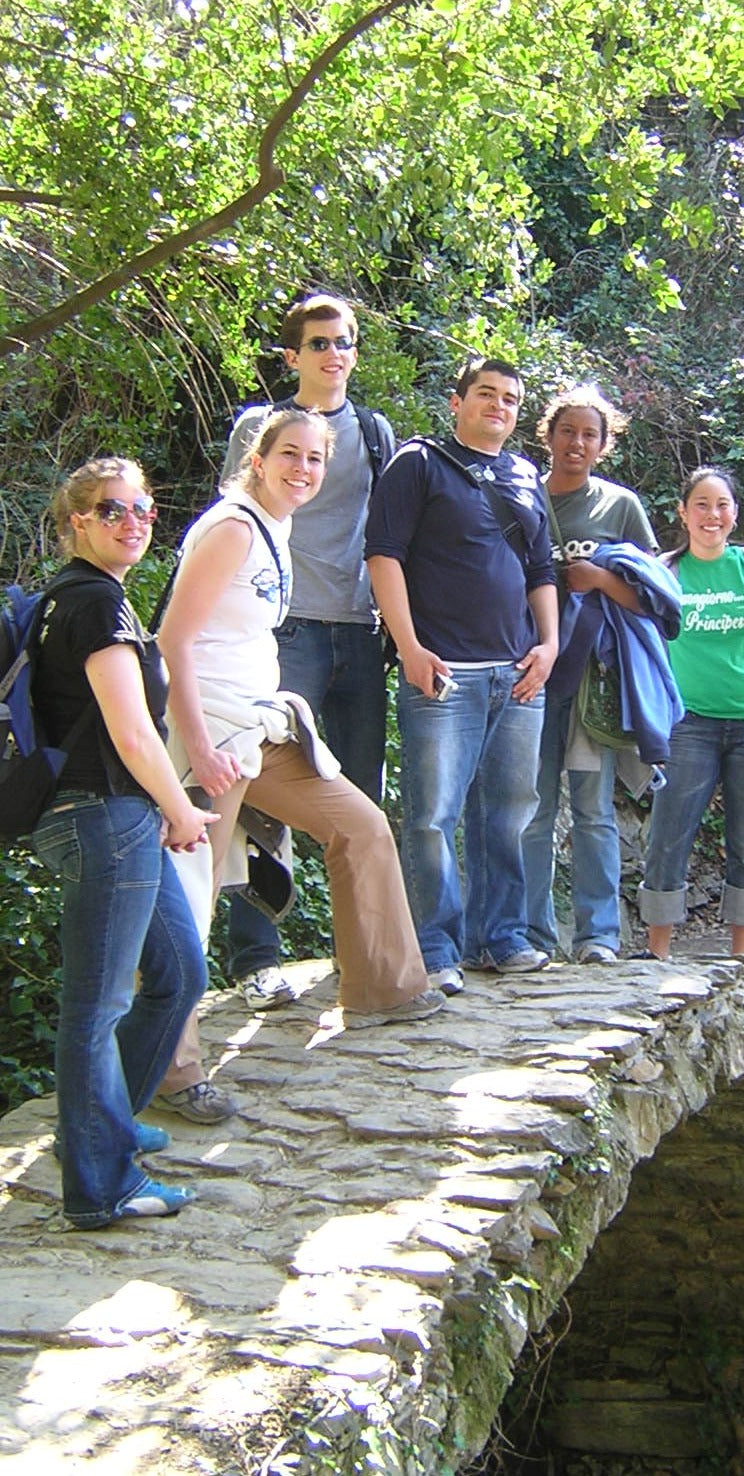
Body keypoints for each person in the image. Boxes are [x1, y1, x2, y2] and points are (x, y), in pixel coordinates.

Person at [153, 408, 440, 1121]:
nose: (303, 471)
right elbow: (171, 642)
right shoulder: (231, 528)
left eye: (315, 460)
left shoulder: (275, 528)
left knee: (362, 825)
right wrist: (197, 745)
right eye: (291, 455)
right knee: (190, 894)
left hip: (262, 727)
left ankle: (384, 988)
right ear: (258, 456)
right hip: (211, 737)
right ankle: (173, 1069)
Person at [31, 458, 214, 1227]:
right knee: (98, 1006)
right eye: (112, 510)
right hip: (105, 816)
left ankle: (102, 1127)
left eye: (143, 507)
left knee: (179, 975)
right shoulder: (95, 604)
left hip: (109, 817)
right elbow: (132, 730)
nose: (133, 521)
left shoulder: (75, 600)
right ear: (77, 521)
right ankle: (100, 1185)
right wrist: (181, 809)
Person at [219, 294, 396, 1015]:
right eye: (319, 342)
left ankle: (364, 962)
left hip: (358, 632)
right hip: (284, 633)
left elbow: (388, 536)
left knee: (362, 801)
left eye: (344, 341)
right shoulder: (259, 429)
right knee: (263, 796)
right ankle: (257, 961)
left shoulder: (377, 433)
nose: (333, 353)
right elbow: (233, 523)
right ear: (293, 356)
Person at [365, 357, 558, 995]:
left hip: (519, 672)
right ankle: (436, 949)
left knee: (506, 813)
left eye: (509, 398)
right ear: (457, 402)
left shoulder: (526, 474)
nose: (498, 405)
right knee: (432, 816)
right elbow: (383, 555)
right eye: (485, 393)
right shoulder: (417, 464)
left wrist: (550, 644)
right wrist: (409, 645)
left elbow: (541, 571)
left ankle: (499, 937)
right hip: (445, 672)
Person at [638, 467, 744, 960]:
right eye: (702, 505)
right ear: (683, 513)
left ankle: (740, 960)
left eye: (722, 505)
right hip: (688, 723)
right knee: (669, 835)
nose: (713, 515)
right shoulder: (664, 572)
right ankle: (658, 956)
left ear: (734, 513)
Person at [520, 386, 658, 964]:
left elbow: (653, 599)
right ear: (547, 436)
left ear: (604, 445)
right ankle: (527, 934)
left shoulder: (619, 506)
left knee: (595, 811)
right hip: (525, 674)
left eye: (589, 434)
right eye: (567, 431)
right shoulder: (520, 495)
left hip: (590, 684)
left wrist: (599, 580)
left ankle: (598, 936)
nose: (577, 443)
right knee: (530, 809)